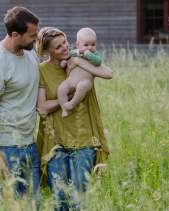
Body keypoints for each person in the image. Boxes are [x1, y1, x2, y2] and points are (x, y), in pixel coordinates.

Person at [35, 27, 113, 211]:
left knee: (78, 200)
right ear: (46, 52)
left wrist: (78, 61)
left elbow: (108, 74)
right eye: (58, 47)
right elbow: (42, 108)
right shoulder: (42, 70)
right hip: (56, 141)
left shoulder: (82, 58)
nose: (64, 48)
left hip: (84, 139)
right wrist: (68, 99)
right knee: (60, 200)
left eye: (65, 42)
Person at [0, 7, 41, 209]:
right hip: (6, 149)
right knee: (9, 206)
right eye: (32, 35)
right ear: (15, 35)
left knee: (33, 205)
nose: (37, 38)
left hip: (30, 145)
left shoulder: (30, 54)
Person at [57, 28, 103, 118]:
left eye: (93, 45)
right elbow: (68, 58)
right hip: (70, 81)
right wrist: (64, 62)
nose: (90, 48)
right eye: (86, 45)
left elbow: (98, 62)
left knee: (82, 87)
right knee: (61, 89)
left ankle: (72, 104)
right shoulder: (74, 53)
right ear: (77, 45)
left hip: (84, 81)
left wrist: (88, 54)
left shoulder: (95, 55)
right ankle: (64, 108)